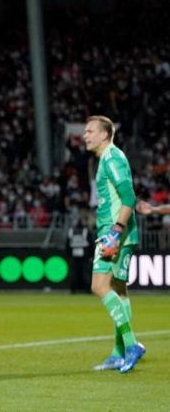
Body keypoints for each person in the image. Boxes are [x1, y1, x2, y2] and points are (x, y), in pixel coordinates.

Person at [82, 115, 144, 373]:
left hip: (114, 234)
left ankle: (131, 346)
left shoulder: (112, 158)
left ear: (104, 135)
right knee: (119, 290)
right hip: (120, 233)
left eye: (90, 131)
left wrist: (116, 231)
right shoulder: (107, 158)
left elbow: (129, 196)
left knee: (99, 286)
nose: (85, 135)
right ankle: (119, 352)